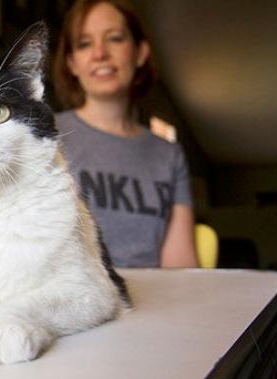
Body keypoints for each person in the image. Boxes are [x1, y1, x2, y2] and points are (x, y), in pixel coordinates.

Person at [52, 0, 198, 268]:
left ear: (140, 53)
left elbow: (181, 268)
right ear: (72, 63)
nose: (99, 53)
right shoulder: (47, 134)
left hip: (154, 302)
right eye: (84, 44)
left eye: (115, 39)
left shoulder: (169, 154)